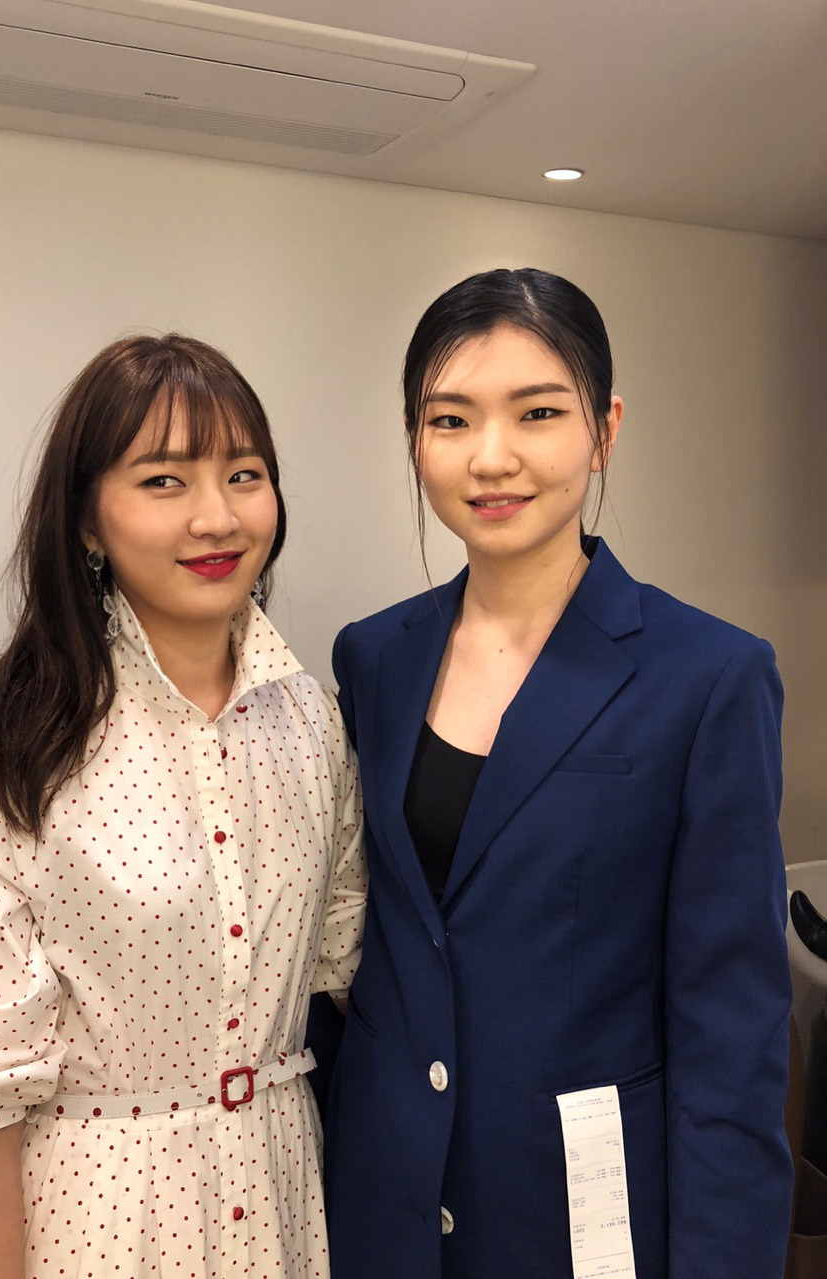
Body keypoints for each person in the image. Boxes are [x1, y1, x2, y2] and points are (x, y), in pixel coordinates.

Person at [320, 269, 792, 1279]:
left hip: (578, 1217)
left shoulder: (707, 675)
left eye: (537, 412)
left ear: (604, 429)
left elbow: (732, 1034)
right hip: (382, 1201)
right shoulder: (373, 659)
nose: (491, 456)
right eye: (451, 419)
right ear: (413, 438)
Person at [0, 334, 365, 1279]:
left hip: (283, 1205)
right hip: (104, 1225)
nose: (216, 516)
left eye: (244, 475)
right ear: (86, 520)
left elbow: (349, 972)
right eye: (163, 481)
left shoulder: (313, 723)